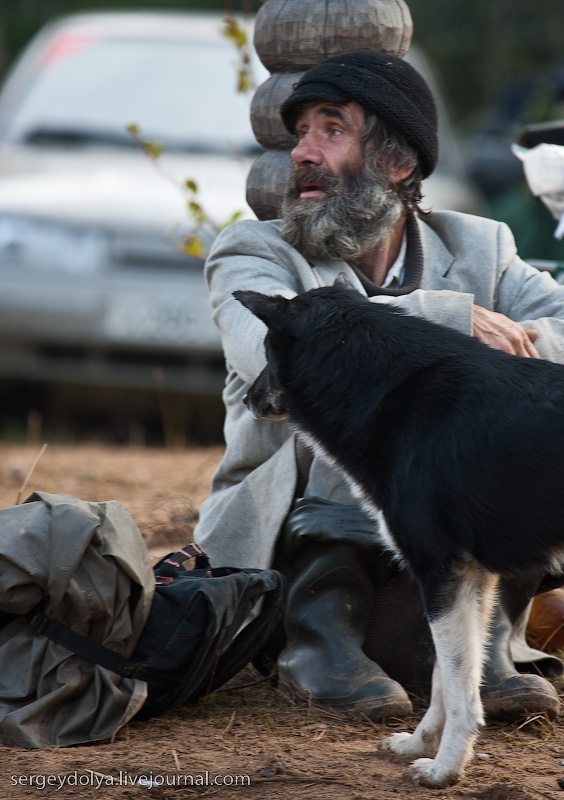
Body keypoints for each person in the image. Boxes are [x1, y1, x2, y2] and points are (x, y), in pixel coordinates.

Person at [194, 50, 564, 722]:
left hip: (432, 563)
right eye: (299, 133)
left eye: (329, 130)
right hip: (282, 563)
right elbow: (269, 359)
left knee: (511, 419)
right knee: (361, 408)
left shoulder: (483, 247)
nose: (302, 152)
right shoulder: (254, 252)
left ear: (398, 164)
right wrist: (453, 321)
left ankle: (482, 655)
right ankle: (319, 643)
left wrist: (506, 361)